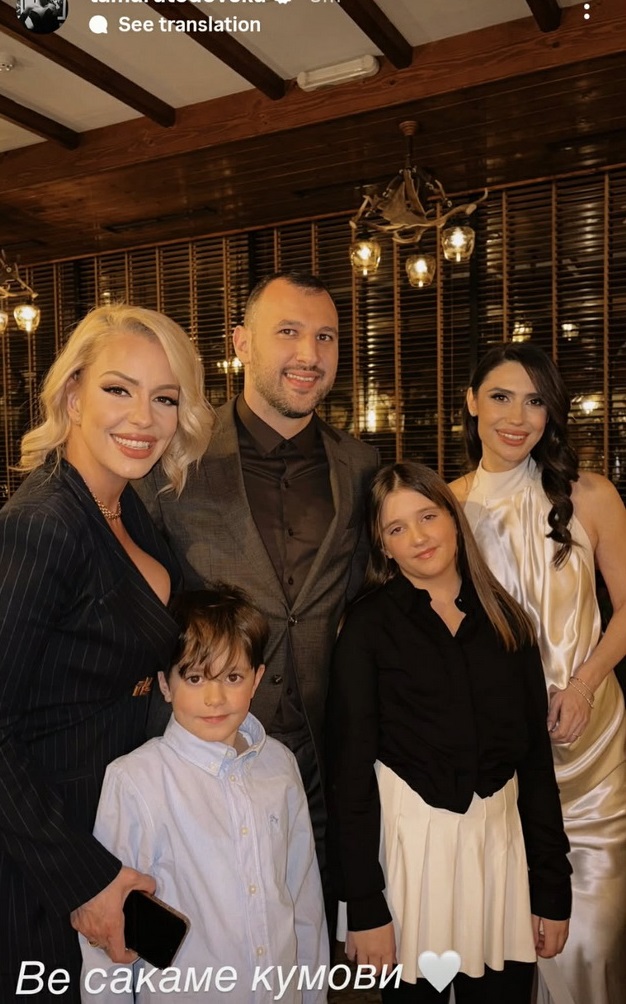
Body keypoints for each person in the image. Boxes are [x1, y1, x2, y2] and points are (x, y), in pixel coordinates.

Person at [135, 271, 378, 882]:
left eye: (325, 337)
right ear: (242, 342)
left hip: (319, 758)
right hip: (201, 751)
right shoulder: (176, 454)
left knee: (308, 919)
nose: (309, 354)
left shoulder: (360, 464)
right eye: (288, 332)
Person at [0, 304, 213, 1001]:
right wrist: (84, 880)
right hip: (42, 864)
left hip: (111, 831)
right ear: (72, 396)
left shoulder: (123, 506)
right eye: (119, 389)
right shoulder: (43, 524)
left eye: (165, 398)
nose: (143, 418)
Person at [327, 462, 571, 1004]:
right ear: (383, 547)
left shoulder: (508, 621)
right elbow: (350, 777)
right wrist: (364, 904)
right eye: (397, 528)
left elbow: (535, 766)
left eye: (428, 516)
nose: (418, 537)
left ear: (453, 519)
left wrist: (552, 887)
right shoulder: (366, 628)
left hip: (500, 857)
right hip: (409, 861)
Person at [451, 342, 626, 1004]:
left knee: (590, 946)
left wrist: (582, 687)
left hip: (592, 757)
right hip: (494, 761)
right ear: (471, 403)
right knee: (496, 951)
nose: (516, 417)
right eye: (500, 396)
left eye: (534, 401)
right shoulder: (444, 507)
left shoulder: (592, 496)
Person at [80, 585, 328, 1003]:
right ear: (165, 684)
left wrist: (312, 993)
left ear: (257, 680)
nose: (215, 698)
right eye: (195, 678)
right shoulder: (135, 781)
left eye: (233, 677)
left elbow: (303, 897)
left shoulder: (280, 766)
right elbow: (107, 932)